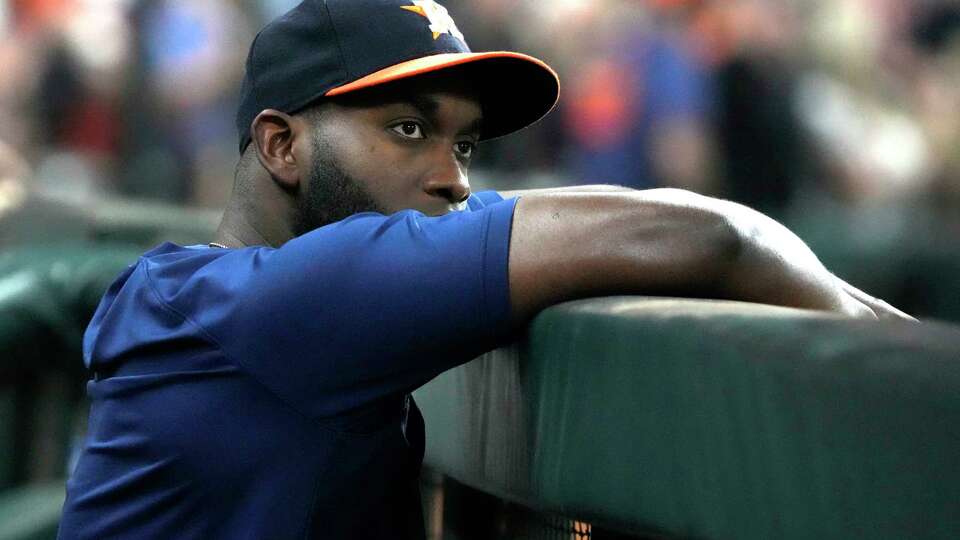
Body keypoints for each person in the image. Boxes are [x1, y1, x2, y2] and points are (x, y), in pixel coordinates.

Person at [57, 1, 912, 539]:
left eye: (464, 142)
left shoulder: (222, 298)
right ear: (281, 144)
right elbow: (708, 235)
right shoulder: (265, 302)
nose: (453, 175)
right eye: (406, 129)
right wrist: (903, 354)